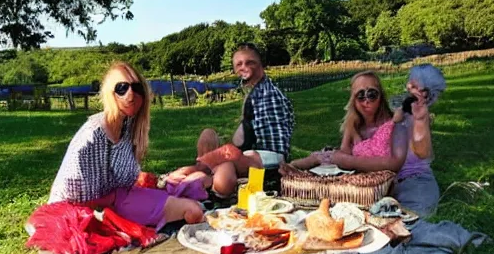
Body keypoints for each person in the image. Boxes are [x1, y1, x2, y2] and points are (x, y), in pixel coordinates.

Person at [49, 62, 204, 229]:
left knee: (194, 191)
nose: (131, 94)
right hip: (82, 213)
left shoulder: (127, 124)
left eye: (137, 88)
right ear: (109, 93)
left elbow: (125, 179)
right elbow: (82, 200)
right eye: (122, 88)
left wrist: (156, 183)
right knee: (192, 209)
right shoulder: (93, 136)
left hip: (118, 199)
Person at [169, 43, 295, 196]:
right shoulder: (255, 93)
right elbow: (243, 136)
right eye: (239, 64)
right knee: (208, 136)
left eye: (250, 62)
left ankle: (192, 175)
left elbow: (270, 144)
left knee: (223, 157)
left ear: (261, 64)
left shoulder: (267, 94)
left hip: (268, 157)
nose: (244, 67)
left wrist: (225, 154)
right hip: (252, 154)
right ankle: (202, 176)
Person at [280, 71, 407, 175]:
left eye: (372, 94)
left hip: (373, 181)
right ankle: (290, 168)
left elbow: (395, 164)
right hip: (340, 168)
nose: (366, 100)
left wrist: (350, 161)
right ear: (354, 101)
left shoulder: (392, 126)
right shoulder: (353, 124)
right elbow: (343, 154)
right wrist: (342, 158)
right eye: (360, 96)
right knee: (315, 159)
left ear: (381, 96)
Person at [390, 64, 446, 217]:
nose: (408, 86)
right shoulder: (404, 113)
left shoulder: (420, 118)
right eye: (409, 82)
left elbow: (422, 152)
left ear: (426, 94)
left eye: (414, 85)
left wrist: (420, 120)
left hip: (417, 185)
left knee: (407, 230)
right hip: (393, 185)